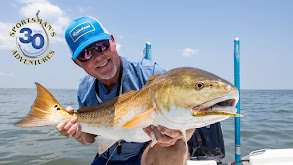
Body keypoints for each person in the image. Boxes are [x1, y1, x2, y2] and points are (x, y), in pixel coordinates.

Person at [56, 16, 195, 165]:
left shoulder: (150, 73)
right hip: (106, 158)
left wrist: (178, 134)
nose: (97, 57)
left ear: (113, 41)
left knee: (176, 147)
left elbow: (189, 119)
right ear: (77, 63)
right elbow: (89, 138)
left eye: (101, 45)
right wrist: (77, 133)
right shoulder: (85, 88)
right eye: (85, 54)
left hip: (145, 155)